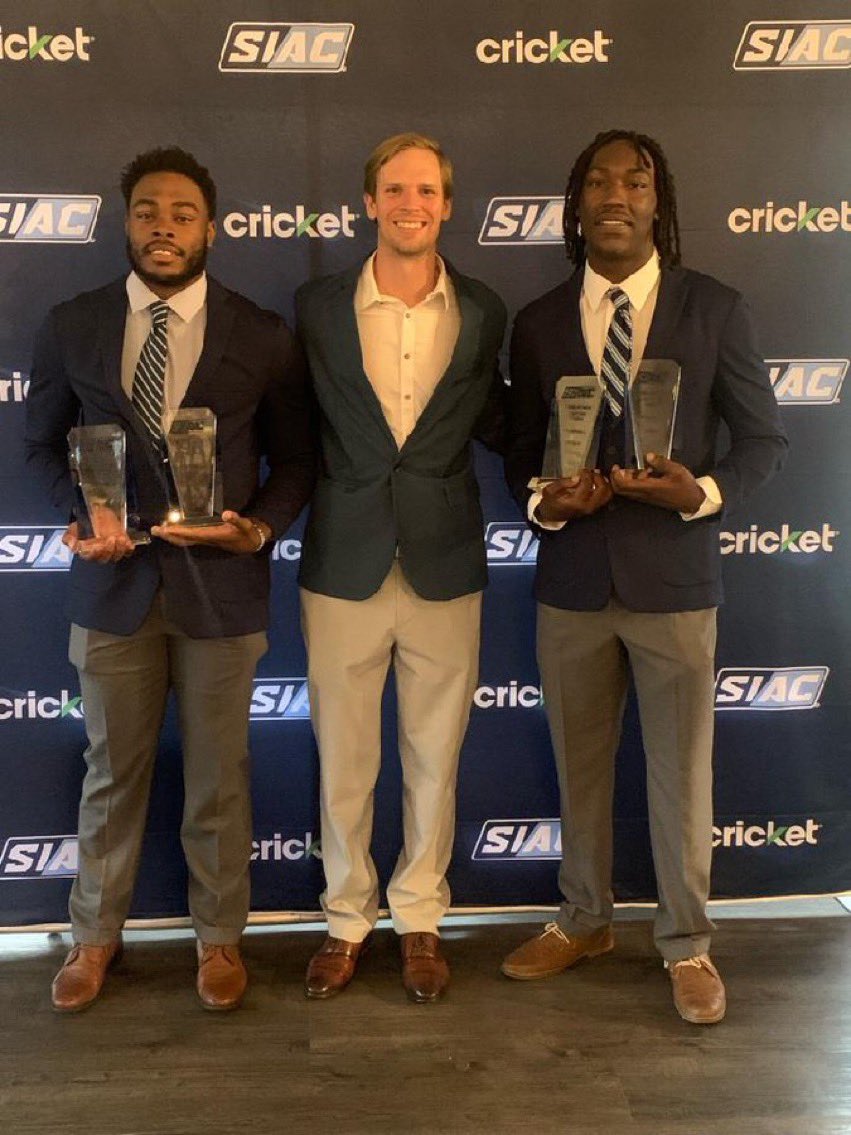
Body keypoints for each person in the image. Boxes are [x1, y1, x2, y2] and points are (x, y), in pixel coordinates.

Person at [501, 129, 787, 1023]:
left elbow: (763, 441)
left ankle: (686, 943)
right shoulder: (539, 320)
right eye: (597, 181)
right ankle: (583, 918)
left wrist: (697, 491)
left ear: (658, 202)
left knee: (679, 776)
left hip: (673, 583)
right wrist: (551, 504)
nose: (615, 194)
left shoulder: (713, 307)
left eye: (635, 179)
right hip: (573, 582)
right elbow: (518, 453)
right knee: (577, 770)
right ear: (575, 204)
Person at [25, 146, 315, 1013]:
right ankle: (93, 938)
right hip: (113, 592)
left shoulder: (260, 332)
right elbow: (41, 444)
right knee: (111, 771)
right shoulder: (74, 321)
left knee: (220, 772)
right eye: (149, 210)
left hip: (220, 591)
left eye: (183, 212)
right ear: (128, 223)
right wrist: (81, 518)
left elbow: (297, 459)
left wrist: (257, 528)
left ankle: (220, 938)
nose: (164, 225)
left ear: (211, 229)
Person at [295, 132, 505, 1002]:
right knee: (344, 758)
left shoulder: (486, 309)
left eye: (425, 189)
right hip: (342, 556)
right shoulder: (314, 306)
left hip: (445, 558)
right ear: (370, 203)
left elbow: (504, 421)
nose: (410, 202)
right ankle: (346, 918)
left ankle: (419, 917)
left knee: (433, 754)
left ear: (446, 205)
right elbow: (291, 430)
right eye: (393, 188)